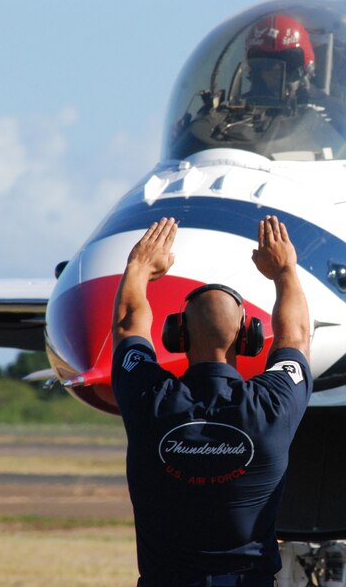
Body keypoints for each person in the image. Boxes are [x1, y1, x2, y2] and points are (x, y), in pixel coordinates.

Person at [111, 215, 311, 587]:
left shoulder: (149, 399)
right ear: (248, 337)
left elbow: (127, 325)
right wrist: (285, 271)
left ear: (177, 335)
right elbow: (295, 337)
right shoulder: (271, 406)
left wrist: (138, 267)